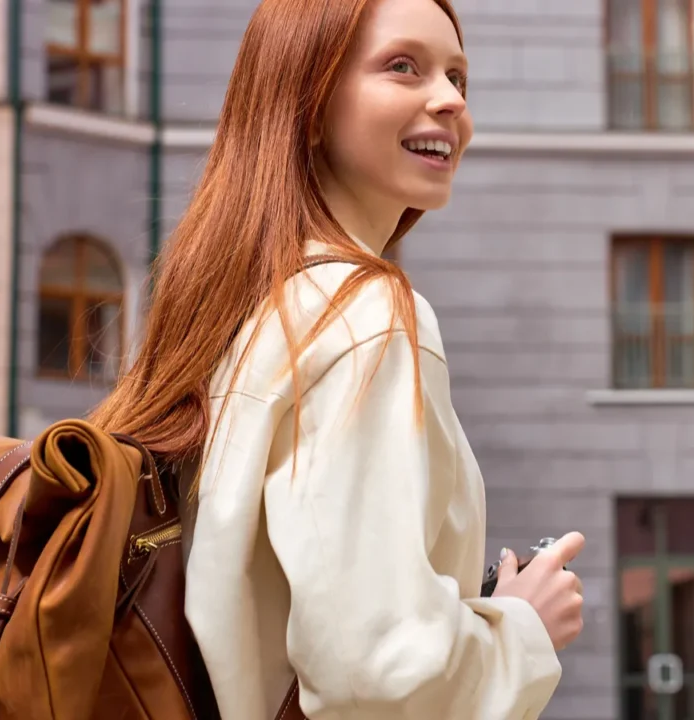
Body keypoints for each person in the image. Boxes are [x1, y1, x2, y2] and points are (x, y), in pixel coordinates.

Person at [87, 0, 586, 717]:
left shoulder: (238, 313)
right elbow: (373, 670)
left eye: (458, 77)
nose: (449, 100)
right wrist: (523, 627)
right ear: (309, 102)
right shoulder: (367, 314)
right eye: (402, 67)